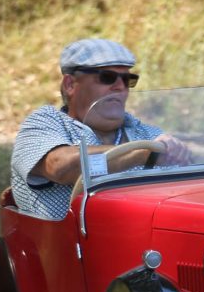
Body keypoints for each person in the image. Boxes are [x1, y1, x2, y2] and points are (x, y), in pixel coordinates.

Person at [10, 38, 190, 219]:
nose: (120, 86)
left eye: (127, 79)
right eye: (107, 77)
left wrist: (179, 150)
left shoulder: (143, 132)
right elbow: (60, 167)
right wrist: (144, 153)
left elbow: (191, 163)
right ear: (70, 84)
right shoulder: (45, 123)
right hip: (62, 245)